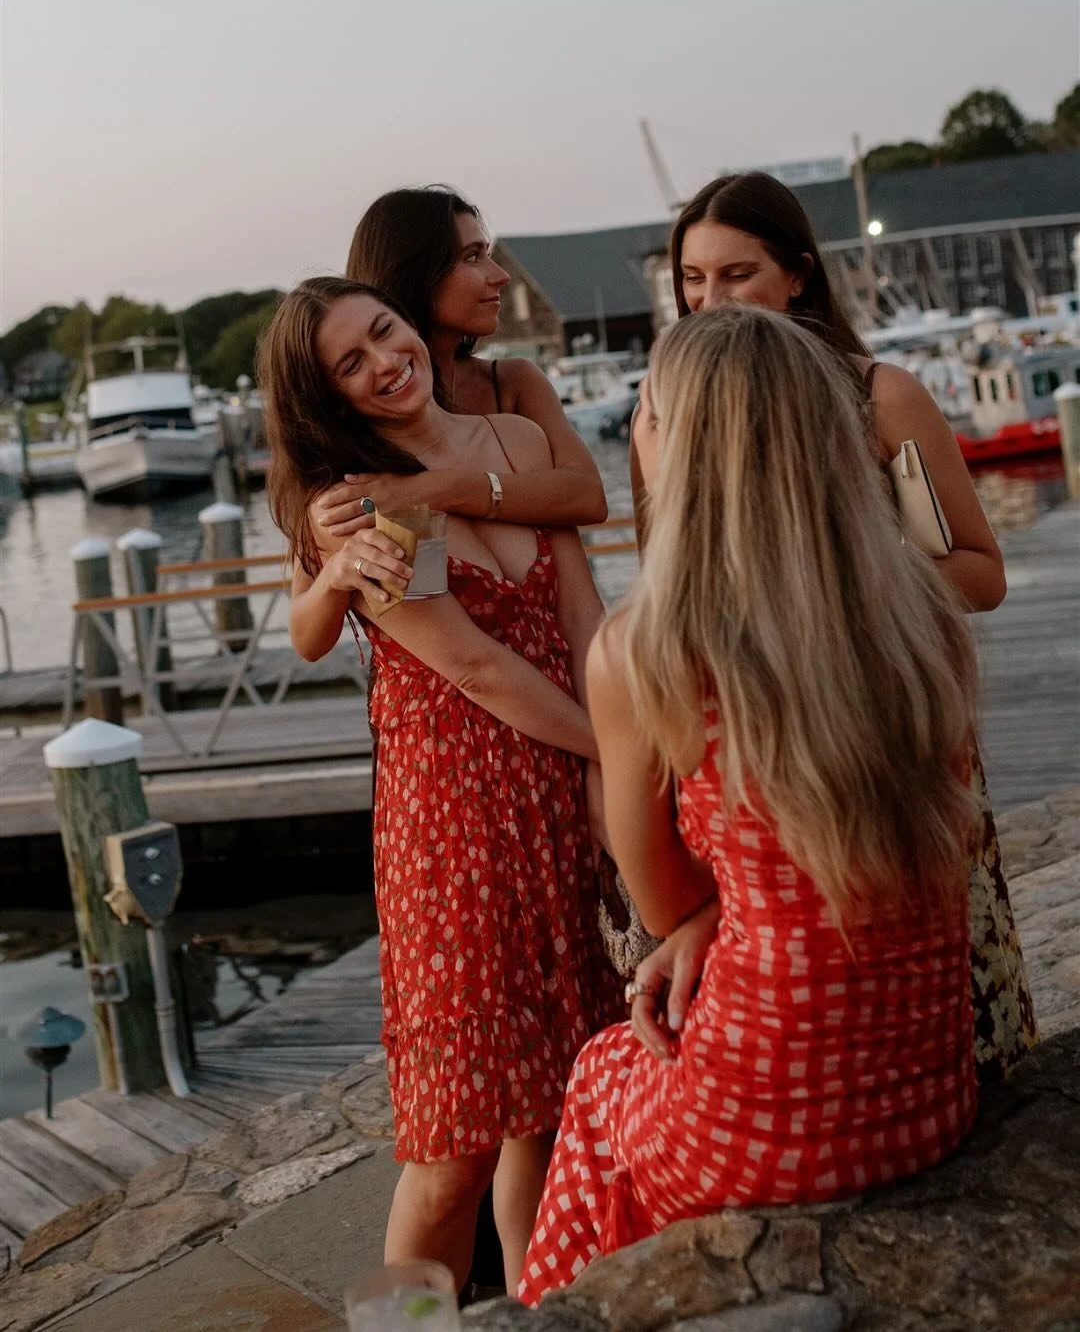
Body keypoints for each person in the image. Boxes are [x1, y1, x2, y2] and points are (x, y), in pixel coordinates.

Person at [520, 304, 982, 1302]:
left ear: (677, 446)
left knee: (600, 1076)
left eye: (646, 411)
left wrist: (702, 924)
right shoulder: (920, 615)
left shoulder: (646, 652)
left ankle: (569, 1314)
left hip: (770, 1116)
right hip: (930, 1092)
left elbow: (659, 900)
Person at [629, 172, 1036, 1086]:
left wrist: (839, 592)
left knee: (956, 999)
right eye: (692, 280)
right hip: (754, 753)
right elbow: (667, 599)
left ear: (799, 275)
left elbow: (982, 572)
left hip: (891, 726)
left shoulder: (879, 396)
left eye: (736, 274)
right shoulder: (668, 414)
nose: (710, 300)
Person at [260, 277, 622, 1295]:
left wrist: (620, 747)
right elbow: (472, 665)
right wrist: (612, 751)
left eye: (385, 332)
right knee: (454, 1143)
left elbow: (582, 610)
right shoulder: (373, 506)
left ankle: (540, 1310)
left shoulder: (514, 442)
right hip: (460, 822)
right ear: (328, 396)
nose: (386, 362)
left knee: (554, 1104)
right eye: (352, 363)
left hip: (567, 781)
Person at [293, 185, 607, 620]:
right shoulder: (354, 439)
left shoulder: (512, 384)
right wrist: (334, 576)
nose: (500, 275)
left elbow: (587, 496)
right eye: (473, 257)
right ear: (418, 274)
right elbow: (305, 620)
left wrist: (430, 489)